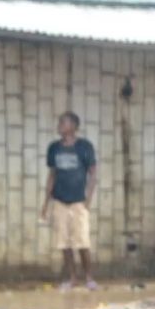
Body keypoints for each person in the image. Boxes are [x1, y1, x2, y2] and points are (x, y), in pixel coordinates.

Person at [41, 112, 98, 291]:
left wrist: (87, 201)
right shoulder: (53, 148)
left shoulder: (85, 147)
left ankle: (89, 277)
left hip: (78, 202)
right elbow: (52, 176)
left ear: (73, 126)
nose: (59, 125)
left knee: (82, 242)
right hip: (59, 201)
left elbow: (93, 174)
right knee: (64, 243)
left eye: (63, 122)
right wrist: (45, 204)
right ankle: (72, 278)